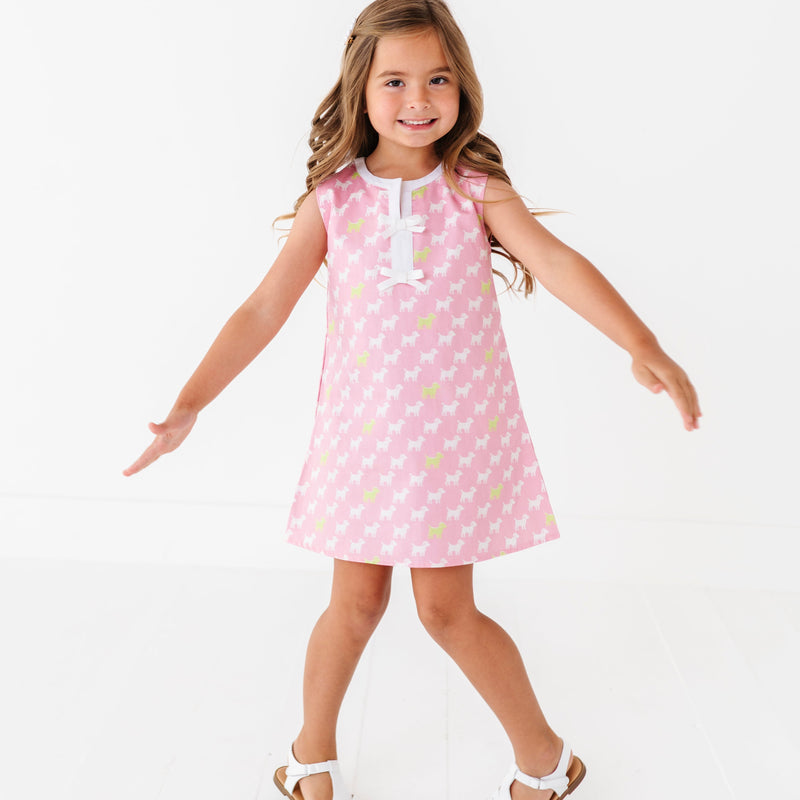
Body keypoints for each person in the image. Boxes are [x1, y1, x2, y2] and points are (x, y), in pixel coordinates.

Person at [124, 1, 701, 798]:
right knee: (354, 604)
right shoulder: (333, 200)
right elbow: (263, 309)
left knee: (445, 612)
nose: (418, 98)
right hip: (361, 441)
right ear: (360, 89)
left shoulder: (476, 191)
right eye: (395, 81)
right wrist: (192, 402)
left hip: (453, 440)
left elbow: (557, 262)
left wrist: (642, 343)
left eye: (438, 79)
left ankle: (545, 758)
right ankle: (310, 753)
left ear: (463, 86)